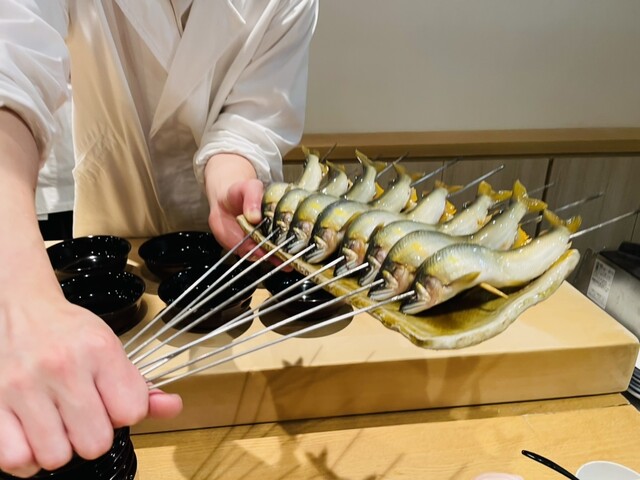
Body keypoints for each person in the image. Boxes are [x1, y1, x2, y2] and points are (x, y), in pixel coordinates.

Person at [0, 0, 318, 477]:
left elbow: (254, 116)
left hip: (220, 245)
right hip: (114, 216)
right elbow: (11, 61)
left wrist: (232, 178)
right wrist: (20, 294)